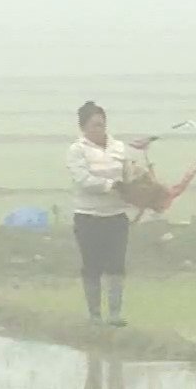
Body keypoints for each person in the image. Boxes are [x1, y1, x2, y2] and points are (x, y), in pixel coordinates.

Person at [65, 101, 139, 326]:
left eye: (102, 124)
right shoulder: (77, 150)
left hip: (116, 215)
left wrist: (136, 185)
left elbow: (127, 173)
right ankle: (95, 316)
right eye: (94, 125)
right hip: (88, 216)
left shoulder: (118, 147)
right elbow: (83, 180)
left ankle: (115, 315)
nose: (99, 129)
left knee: (116, 266)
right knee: (92, 266)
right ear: (83, 128)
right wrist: (111, 185)